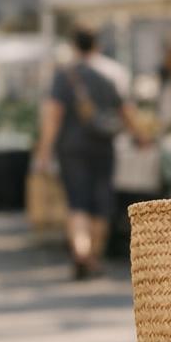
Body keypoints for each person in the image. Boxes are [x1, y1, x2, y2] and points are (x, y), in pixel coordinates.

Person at [32, 25, 139, 280]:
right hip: (103, 145)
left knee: (77, 202)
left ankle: (81, 252)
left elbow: (53, 115)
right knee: (101, 203)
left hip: (70, 148)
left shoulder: (63, 76)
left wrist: (44, 150)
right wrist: (141, 136)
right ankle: (94, 257)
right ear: (97, 45)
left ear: (73, 46)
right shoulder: (110, 74)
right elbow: (126, 112)